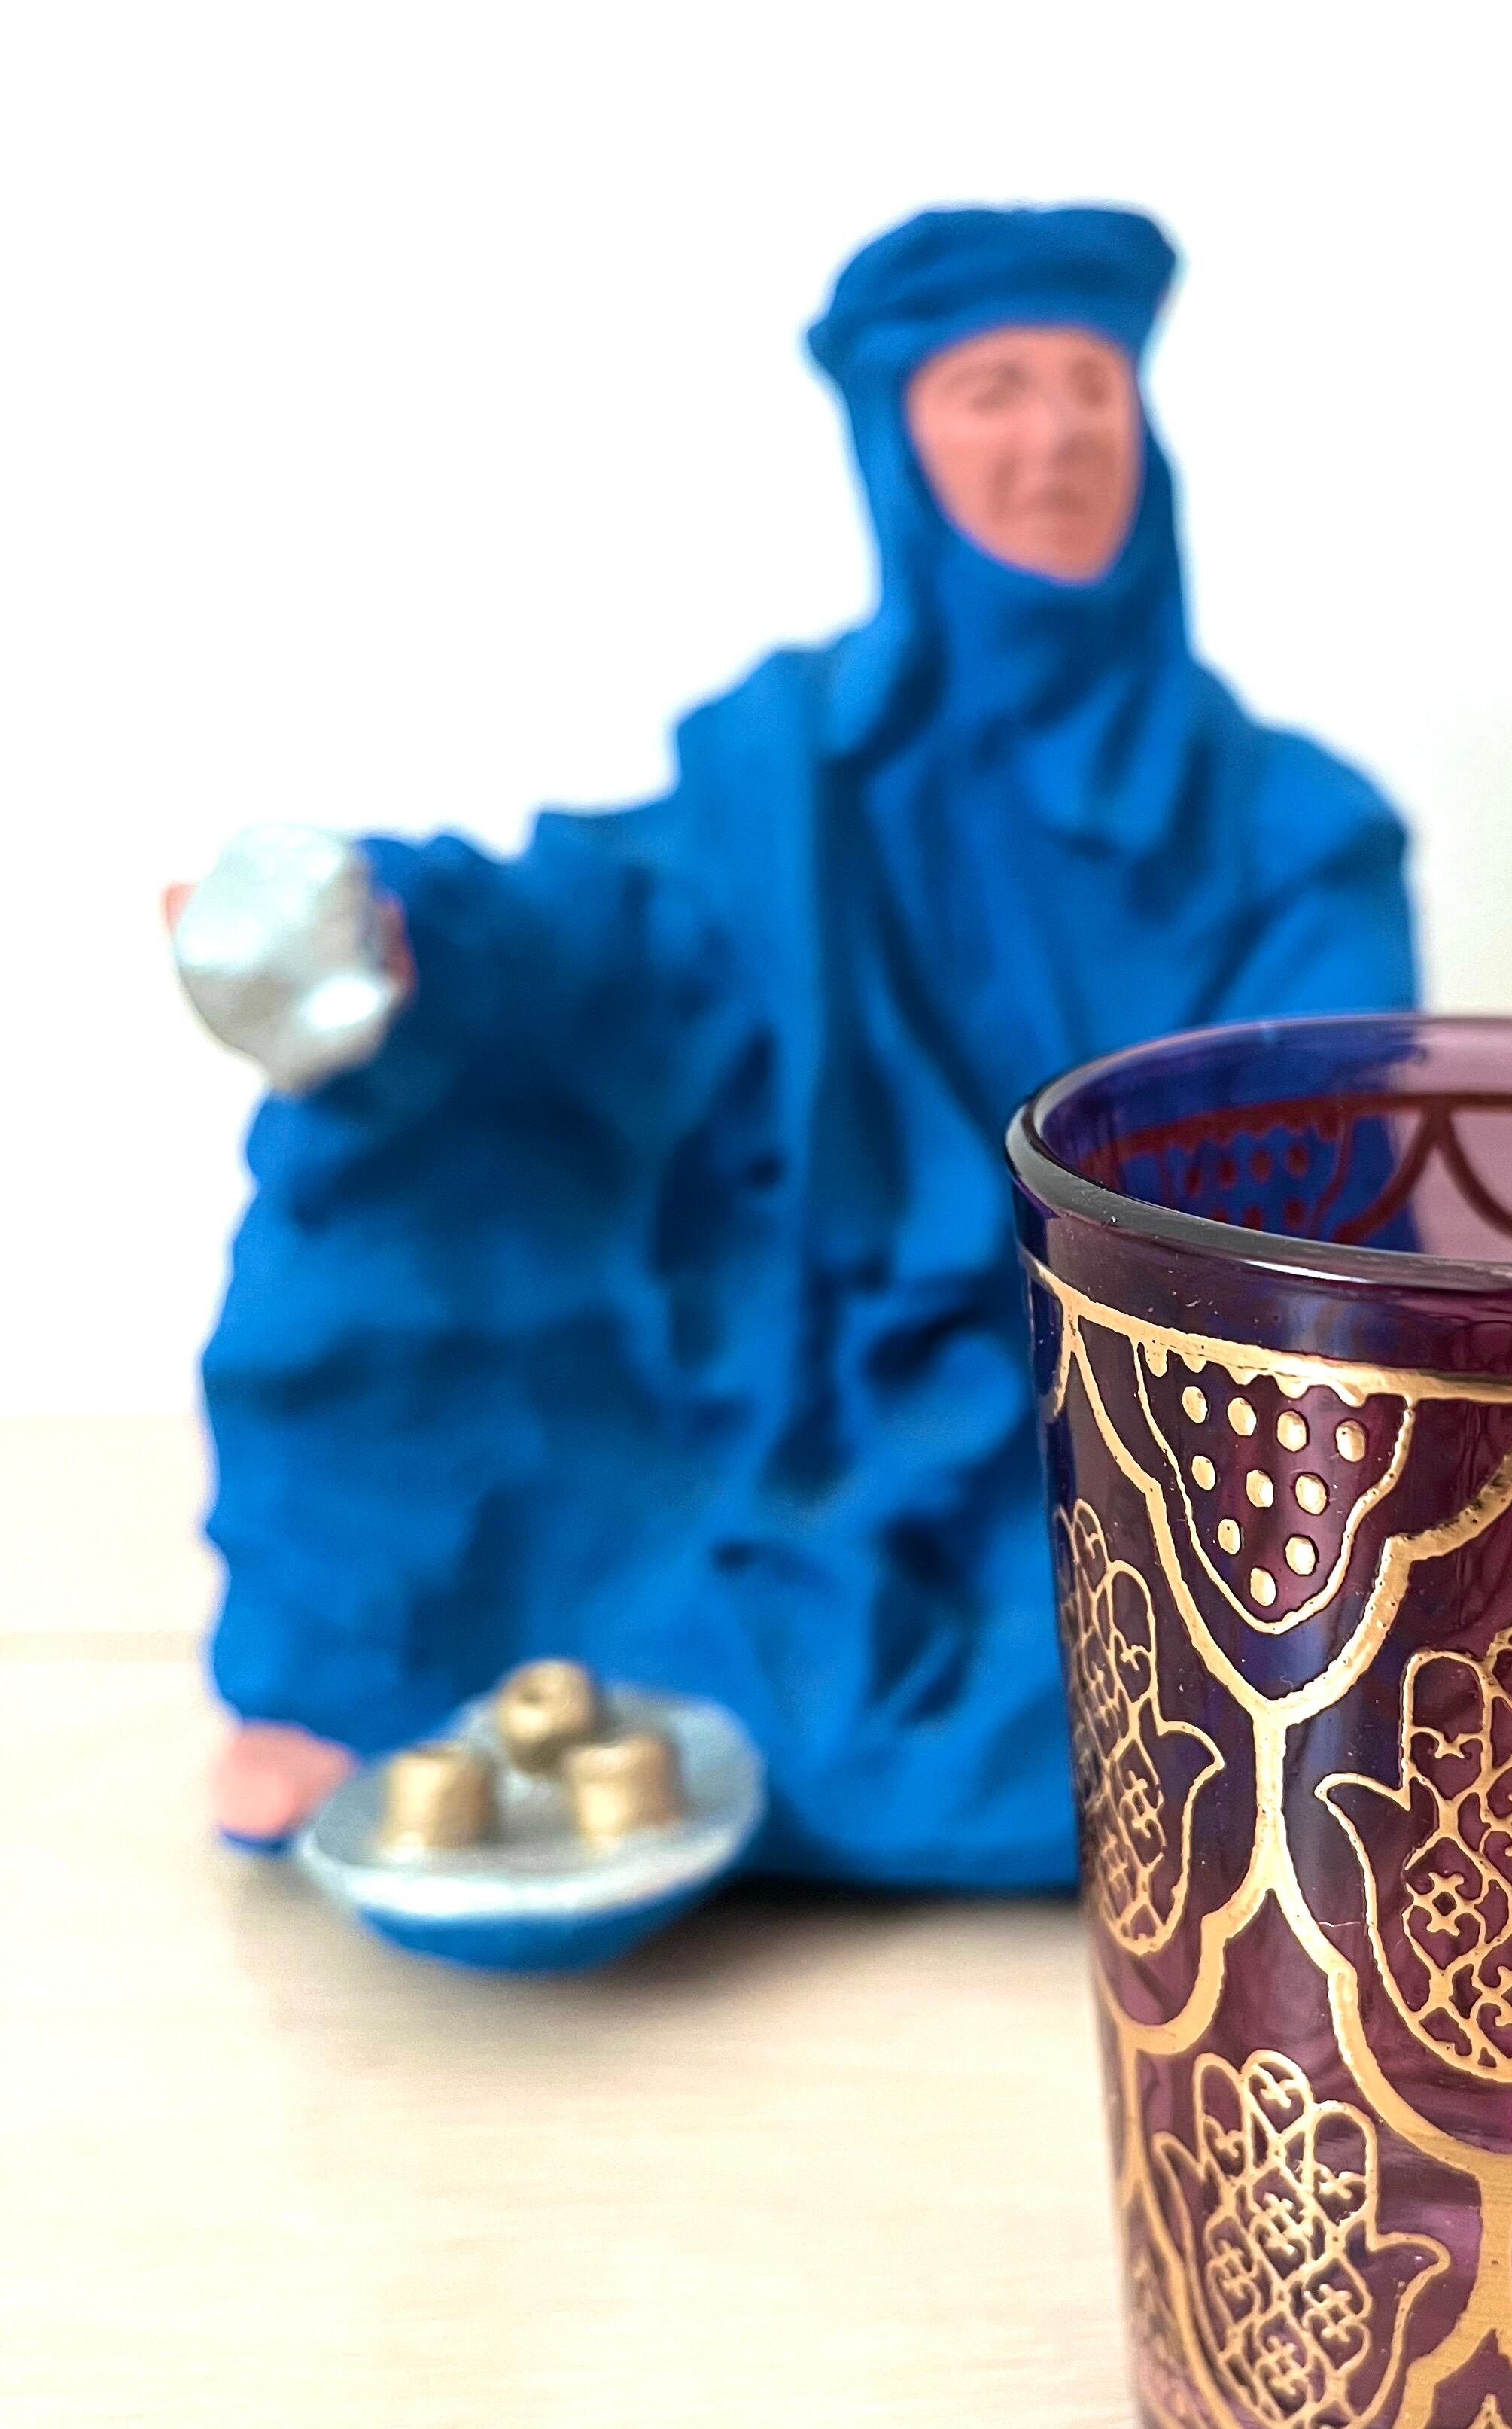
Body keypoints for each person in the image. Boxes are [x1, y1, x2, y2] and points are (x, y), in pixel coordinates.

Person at [171, 203, 1416, 1889]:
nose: (1055, 436)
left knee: (1254, 1676)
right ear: (900, 448)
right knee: (384, 1135)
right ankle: (364, 1666)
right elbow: (607, 936)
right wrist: (392, 933)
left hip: (1127, 1387)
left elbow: (1325, 1162)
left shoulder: (1296, 830)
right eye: (993, 392)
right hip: (783, 1345)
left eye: (1089, 387)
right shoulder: (790, 768)